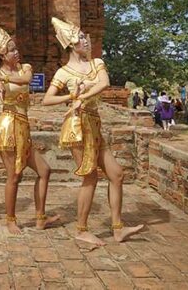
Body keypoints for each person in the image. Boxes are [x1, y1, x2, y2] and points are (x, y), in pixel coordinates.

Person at [42, 17, 145, 247]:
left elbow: (104, 83)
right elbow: (47, 100)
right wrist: (71, 97)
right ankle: (81, 229)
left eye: (84, 35)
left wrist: (82, 95)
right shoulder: (63, 73)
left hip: (94, 122)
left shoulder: (96, 63)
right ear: (70, 43)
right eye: (79, 37)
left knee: (117, 174)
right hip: (77, 126)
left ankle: (118, 228)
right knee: (90, 177)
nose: (85, 40)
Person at [0, 22, 61, 235]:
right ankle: (10, 220)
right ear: (2, 55)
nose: (16, 52)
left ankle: (40, 218)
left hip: (24, 126)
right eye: (11, 50)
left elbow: (27, 79)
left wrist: (4, 78)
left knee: (44, 171)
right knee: (14, 176)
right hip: (8, 125)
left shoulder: (24, 68)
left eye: (15, 48)